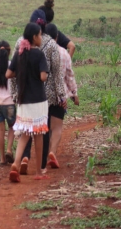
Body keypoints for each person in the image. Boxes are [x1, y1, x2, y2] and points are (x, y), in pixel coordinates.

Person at [11, 10, 66, 175]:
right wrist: (61, 95)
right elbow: (56, 73)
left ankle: (23, 158)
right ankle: (41, 167)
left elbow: (12, 73)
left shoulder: (20, 44)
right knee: (41, 131)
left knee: (26, 130)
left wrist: (15, 92)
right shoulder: (50, 45)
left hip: (24, 95)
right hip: (43, 97)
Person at [6, 23, 49, 182]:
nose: (41, 38)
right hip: (38, 101)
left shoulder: (19, 54)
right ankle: (38, 171)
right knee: (38, 135)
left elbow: (8, 74)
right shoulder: (39, 55)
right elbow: (43, 77)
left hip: (23, 101)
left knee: (25, 134)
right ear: (33, 37)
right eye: (39, 35)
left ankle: (16, 164)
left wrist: (22, 72)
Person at [45, 23, 79, 168]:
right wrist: (74, 94)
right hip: (60, 95)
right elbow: (69, 76)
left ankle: (44, 154)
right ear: (57, 37)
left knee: (45, 127)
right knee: (57, 127)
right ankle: (52, 152)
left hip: (43, 95)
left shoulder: (41, 52)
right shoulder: (64, 53)